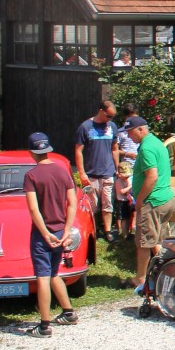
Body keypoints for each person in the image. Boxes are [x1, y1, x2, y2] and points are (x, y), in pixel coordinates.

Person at [22, 132, 79, 337]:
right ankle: (68, 312)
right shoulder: (63, 171)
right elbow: (72, 203)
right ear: (49, 149)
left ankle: (44, 325)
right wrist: (66, 230)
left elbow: (33, 209)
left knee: (43, 277)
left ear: (32, 152)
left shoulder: (31, 176)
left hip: (43, 233)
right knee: (55, 273)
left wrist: (44, 233)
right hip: (60, 231)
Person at [124, 114, 175, 315]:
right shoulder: (157, 143)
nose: (129, 136)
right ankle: (166, 271)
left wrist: (141, 200)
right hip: (166, 199)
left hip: (153, 201)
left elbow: (152, 176)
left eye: (130, 132)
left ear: (140, 130)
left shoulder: (146, 147)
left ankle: (141, 279)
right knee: (157, 240)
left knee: (143, 242)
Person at [73, 101, 120, 243]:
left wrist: (117, 168)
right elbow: (78, 151)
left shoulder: (112, 127)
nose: (110, 119)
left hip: (108, 172)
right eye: (108, 116)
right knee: (92, 204)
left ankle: (107, 231)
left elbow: (114, 148)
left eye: (112, 117)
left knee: (108, 202)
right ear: (101, 111)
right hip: (91, 173)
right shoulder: (85, 127)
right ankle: (91, 230)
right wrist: (81, 173)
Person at [113, 104, 140, 237]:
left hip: (137, 169)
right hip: (125, 170)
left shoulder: (141, 130)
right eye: (131, 117)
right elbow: (115, 150)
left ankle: (133, 226)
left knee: (134, 199)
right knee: (123, 200)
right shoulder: (121, 132)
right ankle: (121, 230)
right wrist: (127, 154)